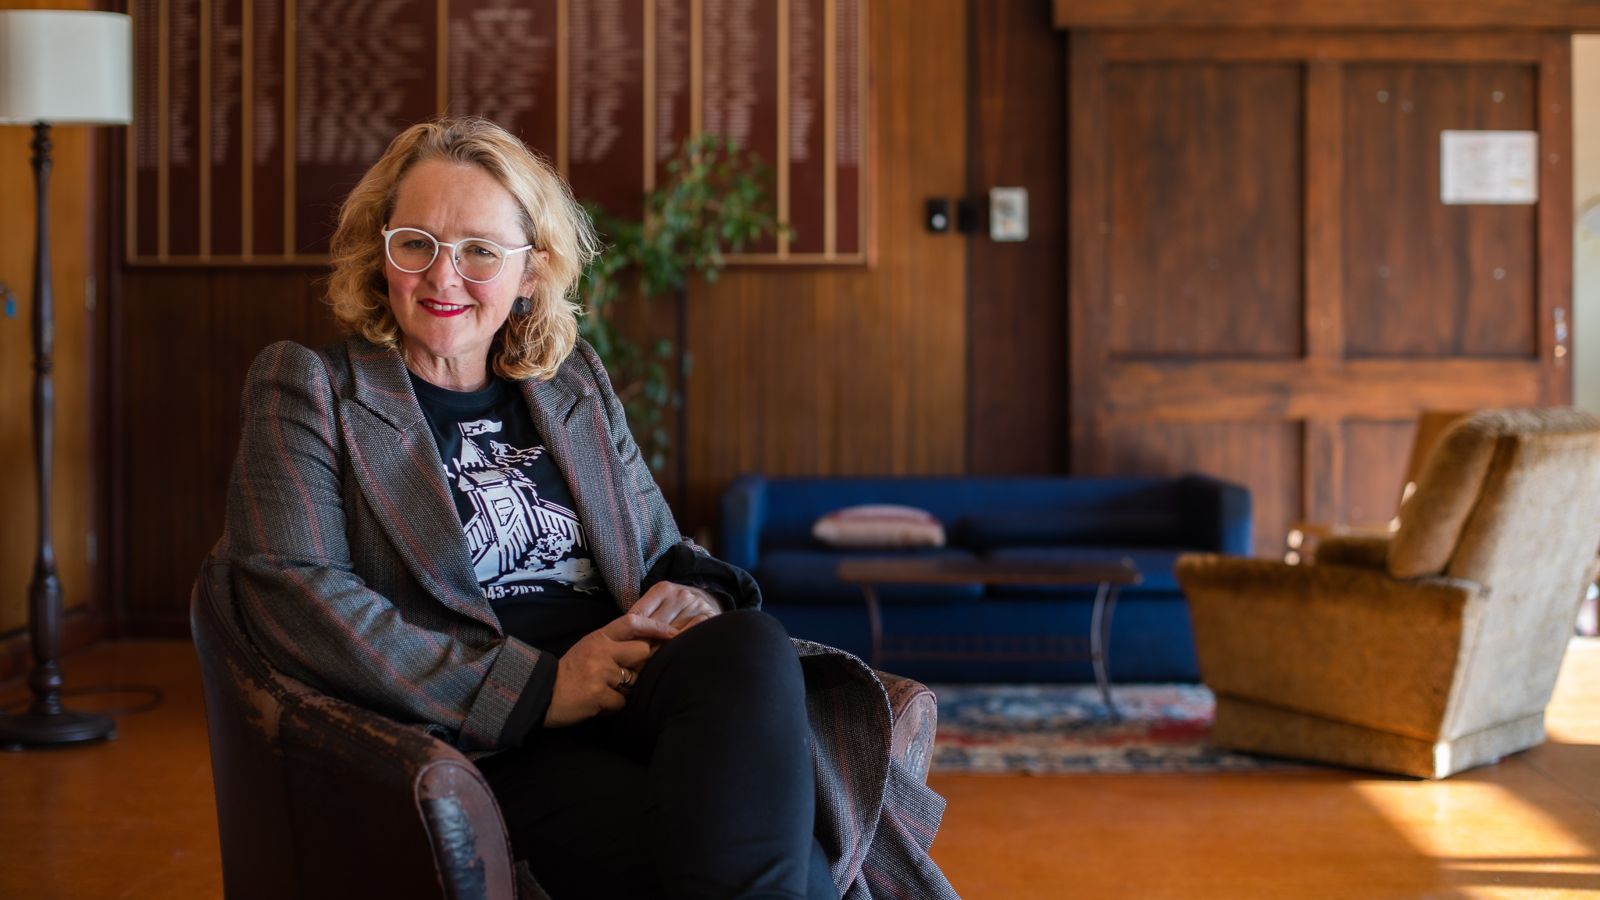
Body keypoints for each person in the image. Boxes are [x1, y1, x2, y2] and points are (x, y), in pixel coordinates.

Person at [210, 117, 955, 899]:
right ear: (381, 250)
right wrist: (536, 689)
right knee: (784, 865)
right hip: (492, 741)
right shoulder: (311, 388)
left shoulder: (570, 387)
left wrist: (696, 595)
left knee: (748, 644)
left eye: (480, 252)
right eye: (417, 243)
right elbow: (292, 590)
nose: (443, 276)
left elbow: (663, 552)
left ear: (531, 271)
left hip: (635, 693)